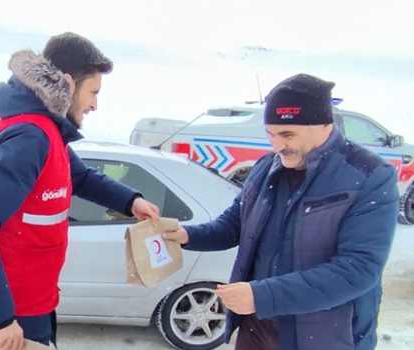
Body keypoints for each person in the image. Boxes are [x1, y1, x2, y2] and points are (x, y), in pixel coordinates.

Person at [0, 32, 160, 350]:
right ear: (68, 83)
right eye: (93, 92)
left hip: (33, 303)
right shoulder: (30, 137)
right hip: (10, 317)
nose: (95, 105)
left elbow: (81, 178)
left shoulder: (47, 131)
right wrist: (2, 320)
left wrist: (131, 201)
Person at [162, 73, 399, 350]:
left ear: (323, 125)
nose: (276, 146)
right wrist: (185, 235)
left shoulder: (368, 176)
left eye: (287, 134)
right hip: (259, 325)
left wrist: (262, 295)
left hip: (324, 335)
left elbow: (357, 270)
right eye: (270, 135)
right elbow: (234, 225)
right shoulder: (267, 166)